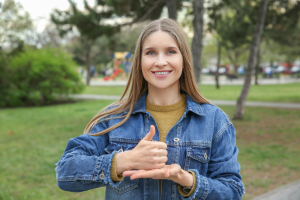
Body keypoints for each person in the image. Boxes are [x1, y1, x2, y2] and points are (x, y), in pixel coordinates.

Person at [55, 18, 244, 200]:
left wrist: (188, 180)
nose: (160, 61)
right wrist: (125, 160)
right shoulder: (115, 118)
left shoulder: (215, 121)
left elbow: (233, 190)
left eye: (171, 51)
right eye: (151, 52)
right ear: (139, 61)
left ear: (184, 58)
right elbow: (65, 172)